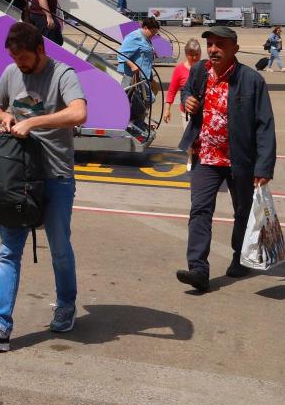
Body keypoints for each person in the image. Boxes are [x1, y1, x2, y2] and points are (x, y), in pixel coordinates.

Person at [0, 22, 87, 351]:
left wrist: (32, 120)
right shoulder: (10, 72)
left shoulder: (63, 74)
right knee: (8, 250)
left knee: (59, 247)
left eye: (23, 58)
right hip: (18, 176)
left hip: (55, 176)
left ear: (40, 51)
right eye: (14, 58)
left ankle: (66, 304)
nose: (19, 63)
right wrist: (2, 117)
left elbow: (79, 113)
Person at [175, 25, 276, 293]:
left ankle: (239, 257)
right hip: (205, 155)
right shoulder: (199, 72)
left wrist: (263, 166)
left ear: (235, 49)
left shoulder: (252, 80)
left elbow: (264, 125)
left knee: (242, 211)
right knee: (200, 210)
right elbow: (187, 93)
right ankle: (198, 269)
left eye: (220, 45)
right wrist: (187, 101)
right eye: (211, 44)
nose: (213, 49)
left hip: (239, 160)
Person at [117, 16, 161, 134]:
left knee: (145, 99)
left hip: (144, 76)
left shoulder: (146, 38)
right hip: (132, 77)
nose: (153, 35)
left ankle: (138, 122)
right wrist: (132, 65)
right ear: (145, 28)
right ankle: (131, 123)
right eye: (153, 32)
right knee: (135, 100)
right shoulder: (135, 36)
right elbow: (121, 54)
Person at [163, 38, 202, 123]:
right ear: (186, 54)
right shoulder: (179, 69)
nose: (195, 57)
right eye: (191, 55)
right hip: (187, 113)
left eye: (197, 54)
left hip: (204, 112)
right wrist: (167, 109)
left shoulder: (206, 67)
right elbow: (172, 90)